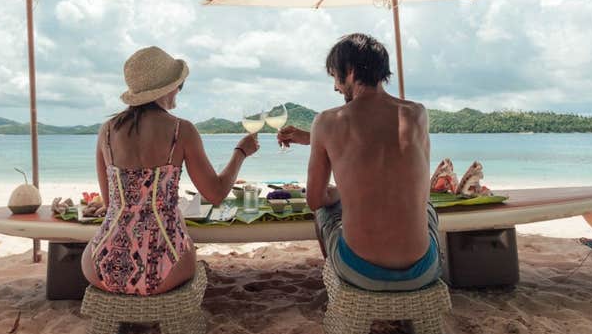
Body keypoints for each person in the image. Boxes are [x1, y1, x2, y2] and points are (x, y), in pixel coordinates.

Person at [83, 46, 259, 295]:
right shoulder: (181, 130)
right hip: (164, 268)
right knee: (187, 245)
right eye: (179, 85)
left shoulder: (107, 130)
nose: (179, 90)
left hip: (100, 265)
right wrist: (241, 152)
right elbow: (216, 193)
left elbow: (113, 202)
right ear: (167, 88)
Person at [278, 33, 441, 291]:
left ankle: (340, 287)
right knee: (427, 207)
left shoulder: (327, 121)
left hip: (361, 271)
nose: (335, 87)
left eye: (335, 76)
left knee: (324, 210)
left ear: (350, 71)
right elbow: (385, 153)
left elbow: (315, 199)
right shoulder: (417, 114)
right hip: (422, 270)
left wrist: (345, 192)